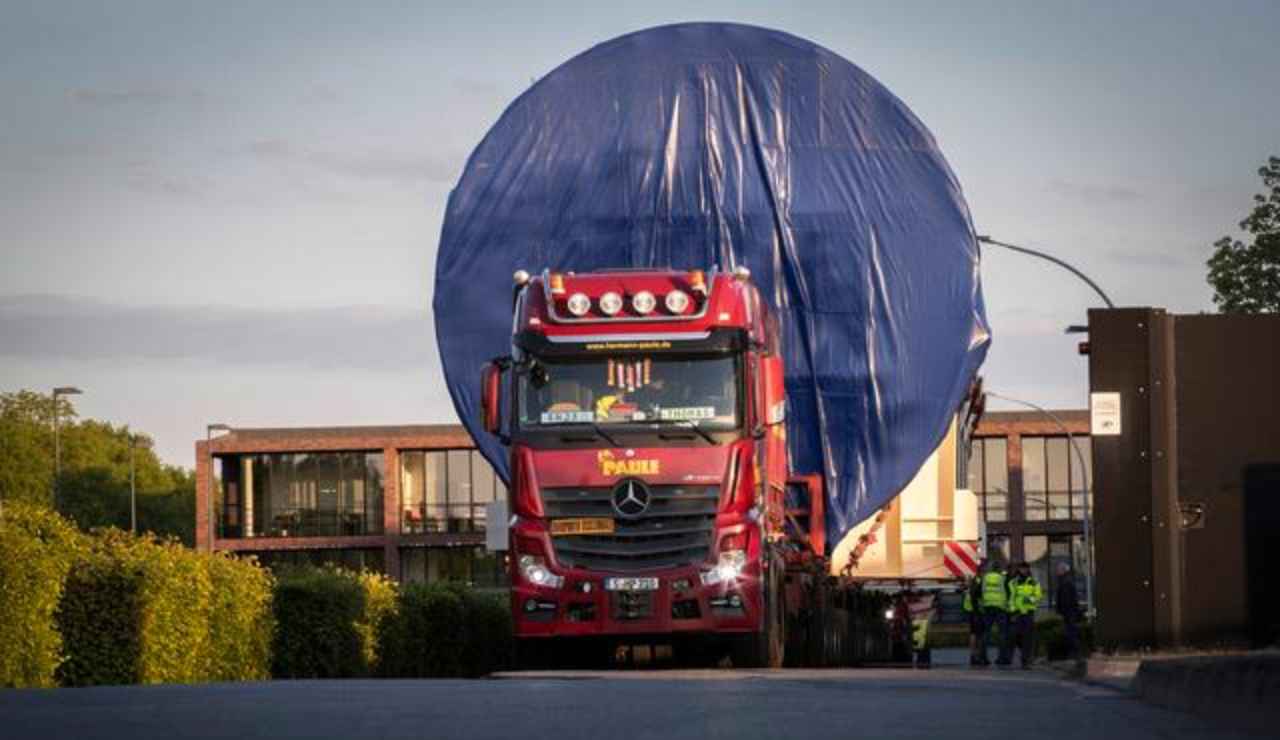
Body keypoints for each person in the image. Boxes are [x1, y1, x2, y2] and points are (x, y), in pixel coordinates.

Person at [975, 557, 1010, 666]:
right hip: (1000, 608)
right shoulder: (1003, 578)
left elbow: (978, 592)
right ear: (999, 569)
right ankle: (1002, 658)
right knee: (1002, 633)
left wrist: (982, 604)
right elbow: (1009, 592)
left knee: (985, 633)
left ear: (990, 568)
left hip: (988, 607)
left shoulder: (985, 578)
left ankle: (983, 658)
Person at [1006, 562, 1042, 668]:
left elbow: (1038, 596)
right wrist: (1012, 611)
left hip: (1028, 614)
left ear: (1028, 570)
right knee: (1014, 637)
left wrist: (1030, 600)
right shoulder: (1014, 582)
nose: (1023, 570)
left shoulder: (1034, 582)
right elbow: (1012, 598)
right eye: (1022, 569)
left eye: (1025, 569)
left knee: (1027, 638)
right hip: (1017, 613)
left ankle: (1025, 661)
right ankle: (1012, 657)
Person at [1055, 562, 1082, 660]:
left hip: (1069, 613)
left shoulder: (1065, 582)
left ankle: (1076, 654)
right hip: (1070, 612)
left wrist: (1062, 611)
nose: (1057, 571)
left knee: (1071, 633)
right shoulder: (1066, 581)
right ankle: (1074, 654)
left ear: (1063, 571)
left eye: (1058, 569)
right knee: (1071, 633)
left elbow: (1066, 599)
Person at [962, 574, 982, 666]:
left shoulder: (968, 588)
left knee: (974, 634)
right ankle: (975, 656)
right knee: (977, 635)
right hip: (976, 612)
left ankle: (973, 655)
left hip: (970, 612)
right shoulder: (975, 584)